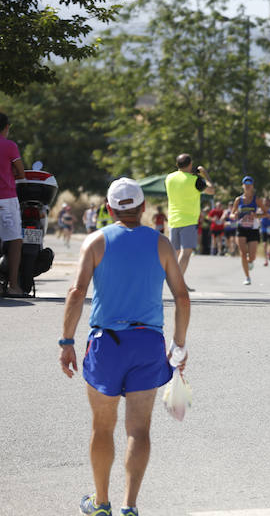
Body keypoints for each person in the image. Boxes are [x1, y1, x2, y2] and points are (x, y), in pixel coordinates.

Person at [58, 177, 189, 516]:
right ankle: (130, 507)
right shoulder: (161, 244)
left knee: (103, 426)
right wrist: (179, 345)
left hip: (106, 343)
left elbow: (76, 293)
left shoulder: (96, 241)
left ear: (108, 207)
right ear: (143, 207)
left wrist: (67, 341)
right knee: (139, 429)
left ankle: (101, 504)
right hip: (148, 343)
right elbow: (182, 296)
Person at [164, 154, 214, 279]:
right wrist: (204, 174)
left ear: (177, 164)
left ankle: (171, 277)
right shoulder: (195, 180)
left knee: (175, 252)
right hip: (189, 220)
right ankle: (177, 280)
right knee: (186, 253)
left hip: (173, 220)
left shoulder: (169, 178)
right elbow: (211, 190)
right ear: (190, 164)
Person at [0, 111, 27, 297]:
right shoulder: (9, 146)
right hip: (6, 198)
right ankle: (13, 285)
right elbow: (21, 172)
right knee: (15, 240)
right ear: (7, 127)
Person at [229, 176, 262, 285]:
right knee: (243, 253)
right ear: (243, 186)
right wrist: (235, 215)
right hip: (241, 228)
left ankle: (250, 261)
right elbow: (232, 214)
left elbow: (266, 213)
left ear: (252, 186)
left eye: (249, 185)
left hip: (253, 229)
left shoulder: (256, 199)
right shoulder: (238, 200)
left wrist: (256, 215)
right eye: (246, 185)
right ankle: (247, 277)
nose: (247, 187)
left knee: (252, 257)